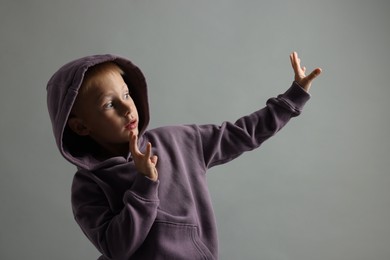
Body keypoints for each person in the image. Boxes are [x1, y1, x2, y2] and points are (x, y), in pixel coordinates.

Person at [46, 52, 321, 260]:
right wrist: (144, 184)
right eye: (109, 104)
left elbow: (241, 134)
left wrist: (292, 99)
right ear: (81, 126)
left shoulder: (178, 141)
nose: (127, 109)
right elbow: (117, 247)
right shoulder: (87, 186)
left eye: (127, 94)